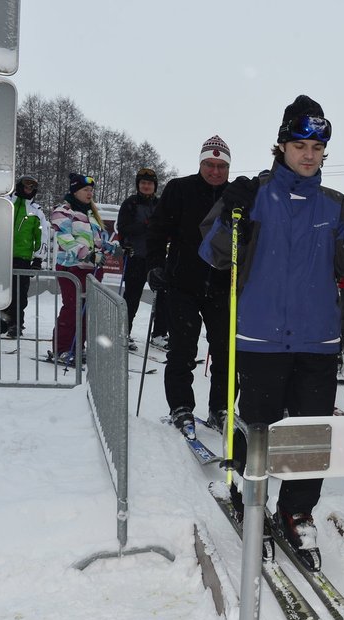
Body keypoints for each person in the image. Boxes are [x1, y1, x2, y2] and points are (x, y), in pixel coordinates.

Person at [199, 95, 344, 567]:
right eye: (299, 145)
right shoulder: (254, 195)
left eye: (317, 148)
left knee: (310, 436)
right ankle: (247, 493)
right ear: (280, 147)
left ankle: (297, 512)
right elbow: (213, 254)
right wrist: (230, 212)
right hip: (259, 337)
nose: (309, 155)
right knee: (258, 429)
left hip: (317, 340)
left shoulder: (336, 205)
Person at [146, 136, 232, 438]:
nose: (215, 171)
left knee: (226, 351)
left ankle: (221, 408)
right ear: (200, 164)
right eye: (210, 164)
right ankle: (181, 406)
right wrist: (155, 264)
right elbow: (157, 230)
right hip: (183, 283)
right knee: (183, 349)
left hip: (223, 284)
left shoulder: (234, 195)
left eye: (222, 166)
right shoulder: (180, 189)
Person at [49, 173, 118, 363]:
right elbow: (65, 238)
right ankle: (62, 348)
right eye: (86, 190)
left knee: (87, 309)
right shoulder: (63, 211)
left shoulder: (91, 214)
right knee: (72, 308)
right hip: (71, 268)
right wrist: (85, 253)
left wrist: (111, 247)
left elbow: (98, 241)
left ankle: (78, 347)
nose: (90, 193)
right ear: (75, 190)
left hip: (92, 269)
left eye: (91, 190)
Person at [0, 175, 44, 338]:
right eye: (26, 186)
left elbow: (41, 233)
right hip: (1, 254)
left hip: (22, 257)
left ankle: (16, 324)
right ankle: (2, 322)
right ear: (19, 186)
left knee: (19, 292)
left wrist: (38, 257)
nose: (29, 190)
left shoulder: (36, 210)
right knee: (0, 291)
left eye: (32, 188)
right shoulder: (6, 202)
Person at [116, 168, 160, 350]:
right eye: (143, 183)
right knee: (131, 298)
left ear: (154, 186)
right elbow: (123, 228)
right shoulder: (130, 203)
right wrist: (145, 225)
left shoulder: (160, 204)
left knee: (164, 297)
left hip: (155, 257)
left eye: (149, 183)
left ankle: (159, 334)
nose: (146, 186)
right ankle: (124, 333)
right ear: (138, 185)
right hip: (136, 257)